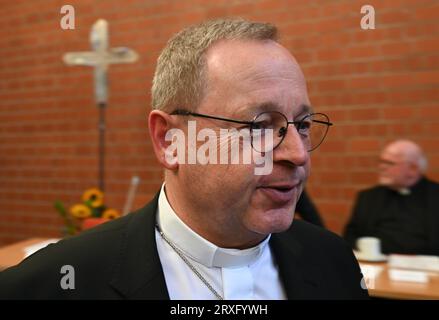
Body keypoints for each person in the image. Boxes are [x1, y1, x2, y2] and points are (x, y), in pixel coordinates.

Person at [0, 18, 367, 299]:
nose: (298, 153)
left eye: (302, 125)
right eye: (258, 126)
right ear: (170, 140)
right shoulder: (53, 283)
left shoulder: (334, 261)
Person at [344, 140, 439, 255]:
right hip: (376, 266)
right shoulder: (368, 197)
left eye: (390, 163)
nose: (382, 167)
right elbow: (350, 236)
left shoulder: (434, 195)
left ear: (413, 169)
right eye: (381, 161)